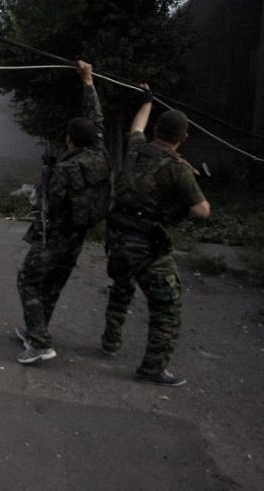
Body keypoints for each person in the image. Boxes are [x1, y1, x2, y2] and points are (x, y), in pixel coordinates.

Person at [100, 85, 211, 386]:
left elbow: (137, 126)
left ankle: (110, 340)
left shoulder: (136, 149)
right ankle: (152, 367)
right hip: (149, 248)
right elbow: (201, 212)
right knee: (166, 307)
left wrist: (146, 101)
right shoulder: (179, 170)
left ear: (157, 130)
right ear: (183, 138)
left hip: (118, 239)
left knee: (121, 289)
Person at [16, 60, 112, 364]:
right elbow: (94, 117)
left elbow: (44, 204)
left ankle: (41, 344)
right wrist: (88, 80)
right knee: (54, 283)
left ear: (70, 139)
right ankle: (37, 330)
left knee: (28, 280)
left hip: (55, 235)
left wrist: (31, 192)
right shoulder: (99, 154)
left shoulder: (66, 169)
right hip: (78, 234)